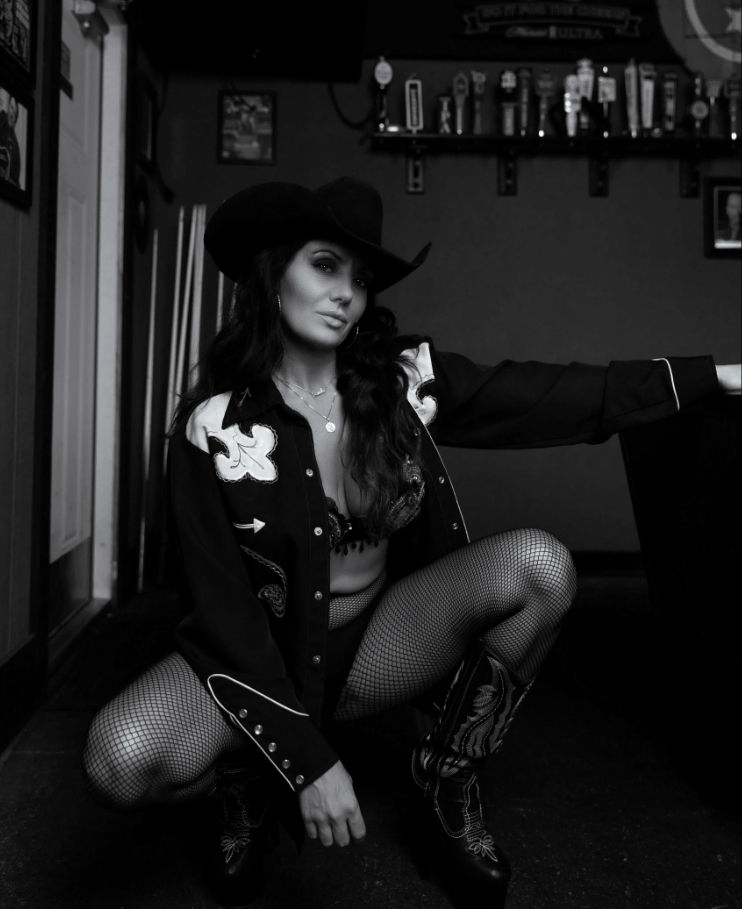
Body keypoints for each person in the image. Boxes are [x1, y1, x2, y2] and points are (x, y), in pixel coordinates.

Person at [82, 176, 740, 909]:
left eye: (359, 281)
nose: (346, 295)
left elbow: (542, 395)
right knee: (118, 759)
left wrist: (707, 376)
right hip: (260, 657)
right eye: (324, 266)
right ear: (273, 277)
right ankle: (247, 781)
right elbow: (222, 613)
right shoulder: (211, 429)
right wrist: (299, 761)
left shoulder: (402, 380)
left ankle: (448, 772)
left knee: (542, 565)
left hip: (383, 645)